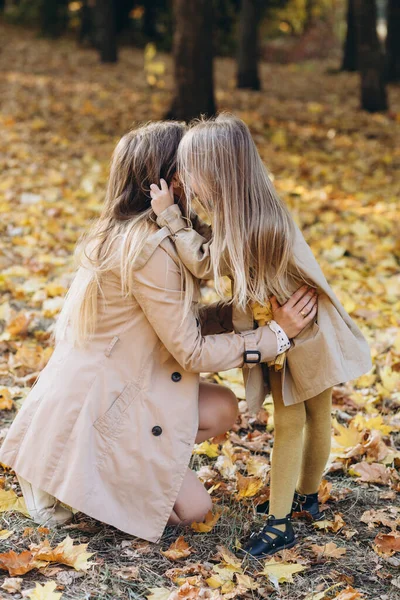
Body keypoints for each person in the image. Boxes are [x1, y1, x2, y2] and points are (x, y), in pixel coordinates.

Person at [0, 121, 316, 543]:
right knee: (195, 512)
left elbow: (168, 323)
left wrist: (240, 315)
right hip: (100, 413)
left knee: (222, 407)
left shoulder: (149, 233)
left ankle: (135, 466)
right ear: (164, 179)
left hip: (124, 388)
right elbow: (191, 351)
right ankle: (79, 477)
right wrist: (276, 336)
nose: (196, 175)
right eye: (187, 165)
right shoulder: (148, 249)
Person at [149, 113, 373, 556]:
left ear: (219, 173)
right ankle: (306, 495)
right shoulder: (260, 212)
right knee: (317, 413)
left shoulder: (249, 228)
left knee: (292, 424)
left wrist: (170, 218)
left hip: (293, 337)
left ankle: (280, 522)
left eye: (191, 172)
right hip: (309, 326)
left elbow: (203, 262)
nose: (186, 181)